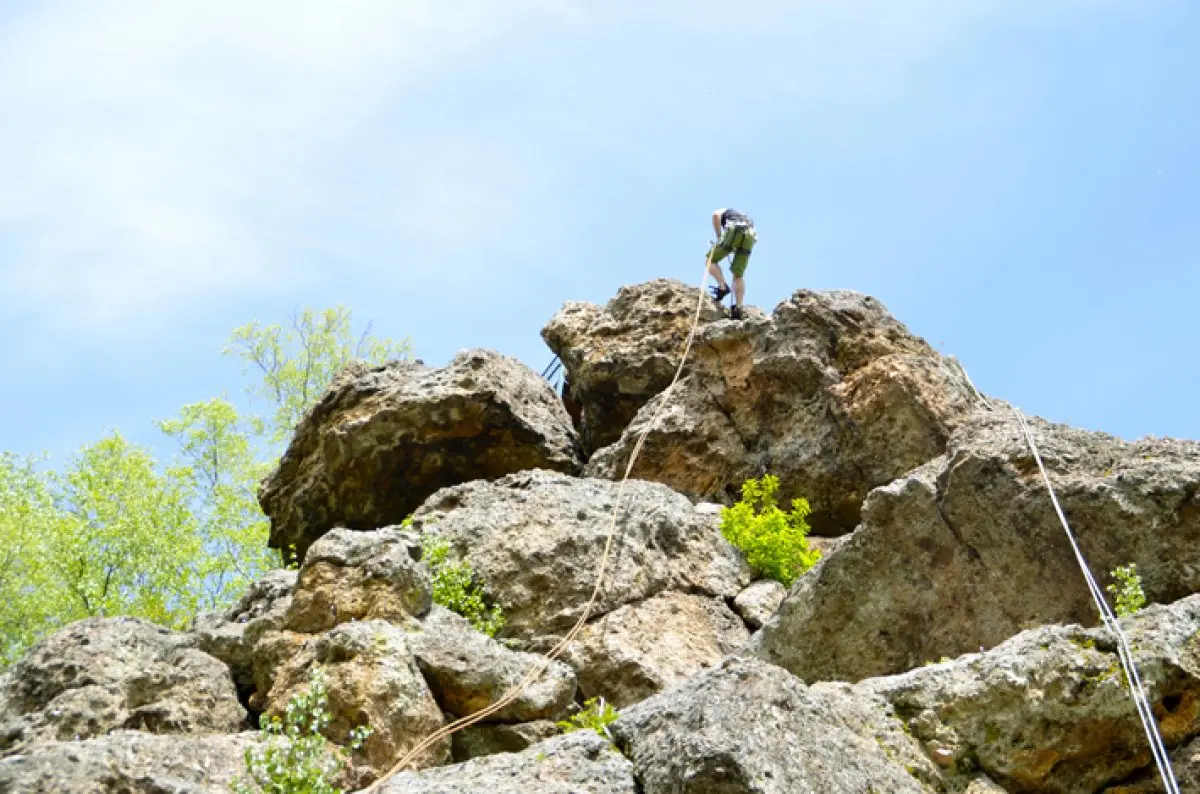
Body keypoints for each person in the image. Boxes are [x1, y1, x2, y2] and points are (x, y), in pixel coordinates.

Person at [706, 207, 756, 319]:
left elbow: (715, 215)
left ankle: (722, 287)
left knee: (710, 260)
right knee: (738, 275)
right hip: (749, 235)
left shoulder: (724, 211)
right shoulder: (744, 216)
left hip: (734, 230)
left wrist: (719, 237)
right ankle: (737, 308)